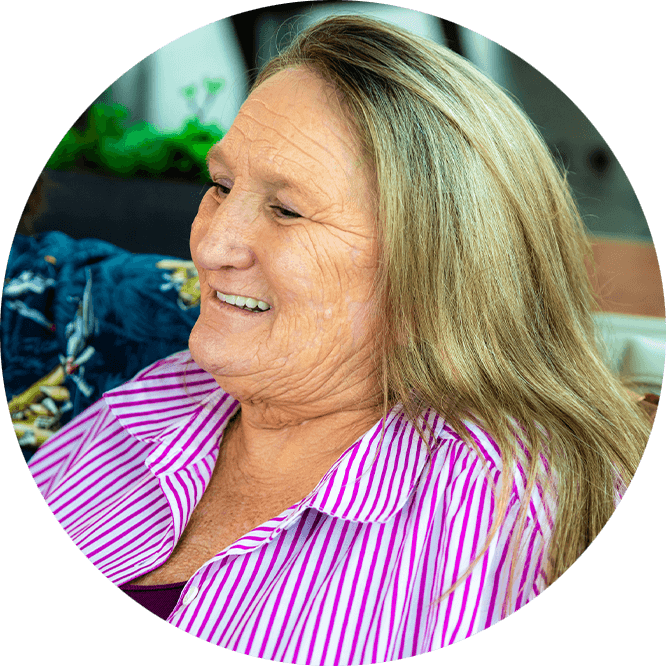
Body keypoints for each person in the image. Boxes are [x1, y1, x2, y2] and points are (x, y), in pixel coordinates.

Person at [27, 14, 654, 662]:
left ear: (434, 268)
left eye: (286, 210)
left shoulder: (515, 513)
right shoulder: (151, 406)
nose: (210, 245)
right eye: (220, 186)